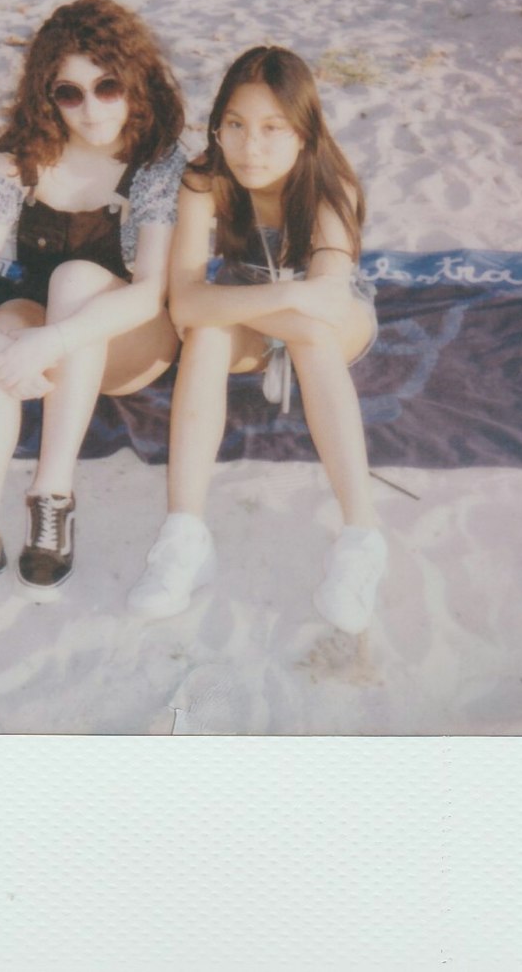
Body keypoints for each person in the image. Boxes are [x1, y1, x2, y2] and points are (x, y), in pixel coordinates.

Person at [0, 0, 186, 629]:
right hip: (50, 333)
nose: (93, 108)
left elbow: (149, 291)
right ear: (47, 96)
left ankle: (52, 494)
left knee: (79, 277)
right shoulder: (18, 158)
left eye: (108, 86)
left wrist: (49, 344)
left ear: (133, 80)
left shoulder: (157, 158)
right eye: (70, 93)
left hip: (131, 338)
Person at [127, 46, 386, 634]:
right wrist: (277, 299)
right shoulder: (203, 181)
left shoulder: (329, 184)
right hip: (250, 300)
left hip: (335, 317)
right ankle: (184, 536)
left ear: (303, 133)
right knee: (209, 339)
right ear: (216, 126)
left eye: (273, 129)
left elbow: (325, 300)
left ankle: (362, 538)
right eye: (236, 126)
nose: (252, 147)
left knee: (311, 337)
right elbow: (187, 302)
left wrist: (273, 303)